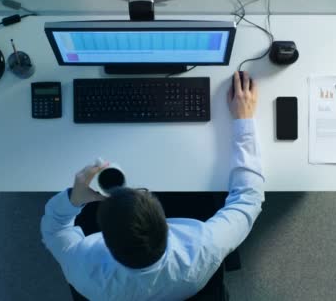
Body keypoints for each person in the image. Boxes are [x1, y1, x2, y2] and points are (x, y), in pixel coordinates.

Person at [41, 71, 265, 301]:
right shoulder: (202, 247)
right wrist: (244, 120)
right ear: (166, 222)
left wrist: (74, 198)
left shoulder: (83, 270)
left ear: (104, 240)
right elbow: (248, 199)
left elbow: (54, 228)